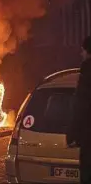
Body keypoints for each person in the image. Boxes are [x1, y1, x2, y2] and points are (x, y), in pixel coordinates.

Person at [67, 36, 91, 184]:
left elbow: (80, 107)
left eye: (82, 50)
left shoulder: (87, 74)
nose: (81, 54)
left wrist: (72, 134)